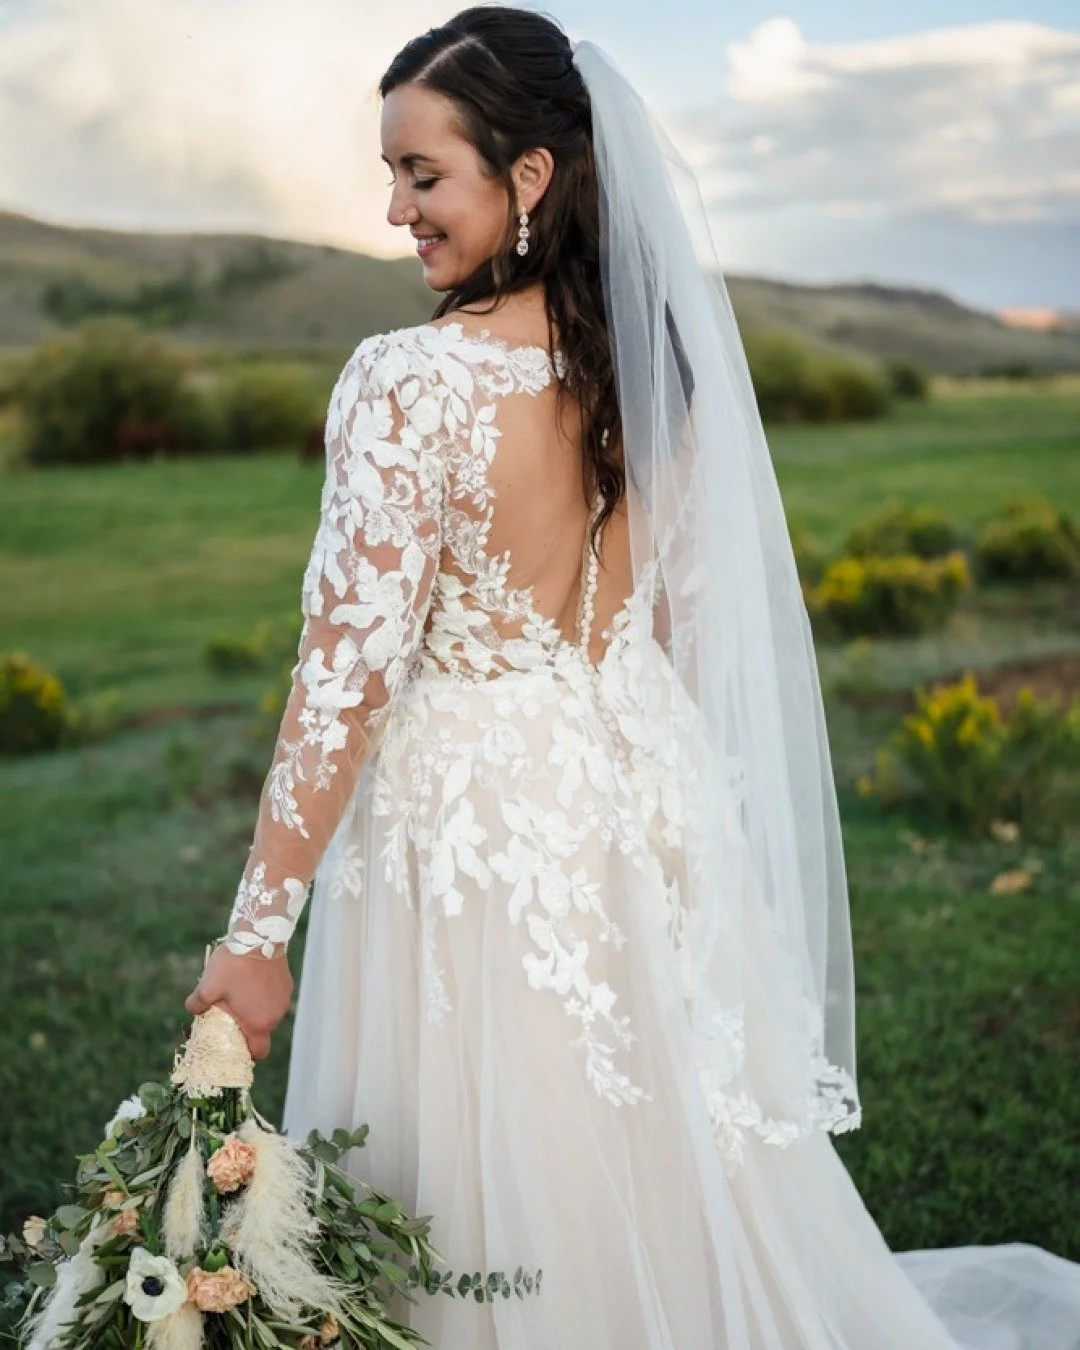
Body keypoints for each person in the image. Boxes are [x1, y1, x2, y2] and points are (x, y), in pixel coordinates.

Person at [186, 8, 1080, 1347]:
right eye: (392, 175)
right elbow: (682, 631)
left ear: (528, 175)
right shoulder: (652, 371)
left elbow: (342, 681)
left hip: (472, 830)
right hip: (632, 790)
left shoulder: (404, 383)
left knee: (490, 1158)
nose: (395, 210)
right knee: (647, 1145)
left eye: (423, 174)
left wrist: (257, 940)